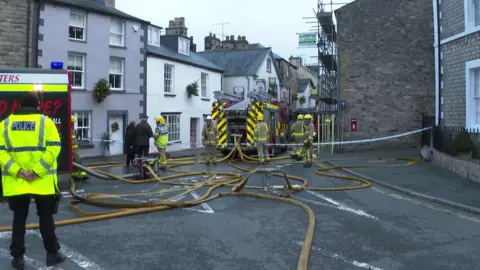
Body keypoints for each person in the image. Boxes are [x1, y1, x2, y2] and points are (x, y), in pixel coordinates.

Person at [0, 92, 65, 269]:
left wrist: (18, 171)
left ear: (19, 106)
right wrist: (36, 171)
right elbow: (53, 149)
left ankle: (18, 257)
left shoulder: (5, 125)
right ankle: (52, 253)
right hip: (41, 181)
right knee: (45, 217)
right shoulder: (46, 122)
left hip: (17, 181)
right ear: (38, 106)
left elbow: (1, 152)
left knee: (19, 219)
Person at [71, 115, 88, 181]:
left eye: (73, 123)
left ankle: (77, 174)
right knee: (77, 161)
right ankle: (81, 174)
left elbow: (75, 139)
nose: (73, 124)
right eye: (71, 123)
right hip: (72, 150)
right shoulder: (67, 131)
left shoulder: (73, 130)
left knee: (76, 162)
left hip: (75, 149)